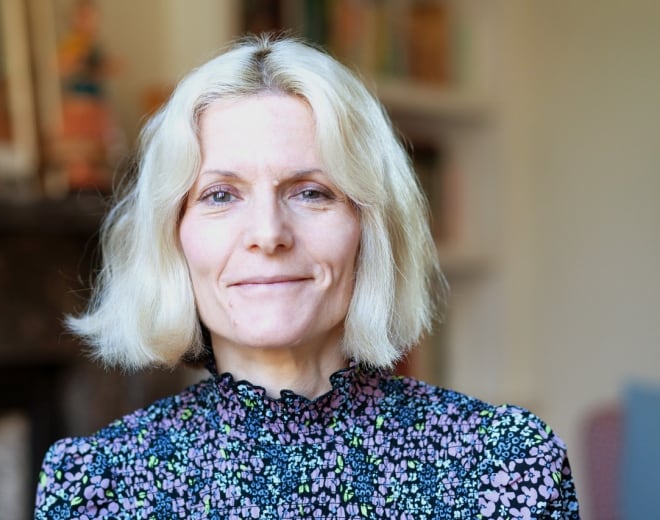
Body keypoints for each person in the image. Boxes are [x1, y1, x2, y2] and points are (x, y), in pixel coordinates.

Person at [35, 34, 579, 519]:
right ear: (172, 237)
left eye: (311, 192)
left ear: (371, 227)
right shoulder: (95, 486)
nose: (268, 233)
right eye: (220, 195)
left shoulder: (504, 465)